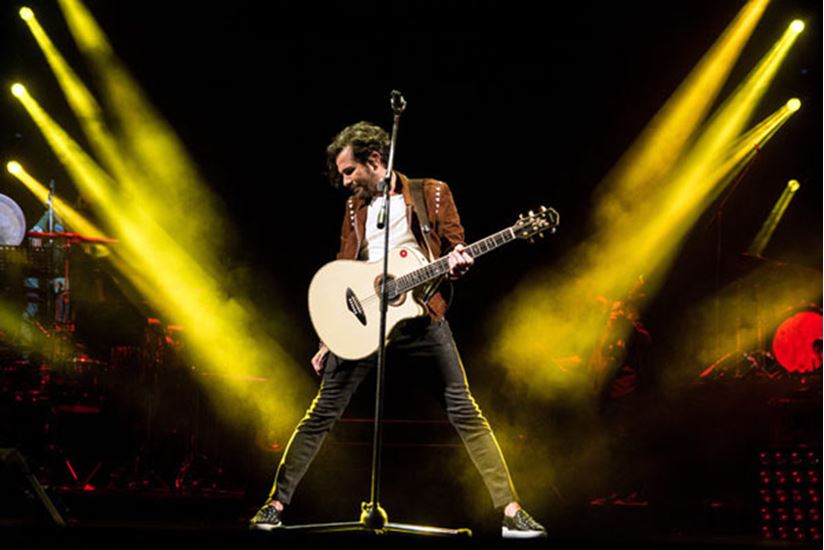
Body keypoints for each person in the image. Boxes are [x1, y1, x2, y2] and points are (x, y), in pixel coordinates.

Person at [249, 121, 546, 538]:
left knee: (465, 412)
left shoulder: (432, 192)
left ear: (375, 159)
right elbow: (344, 269)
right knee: (321, 414)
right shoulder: (354, 207)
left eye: (350, 171)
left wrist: (458, 261)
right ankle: (275, 505)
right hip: (365, 323)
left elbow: (455, 245)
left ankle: (511, 512)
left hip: (421, 319)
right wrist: (328, 337)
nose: (345, 181)